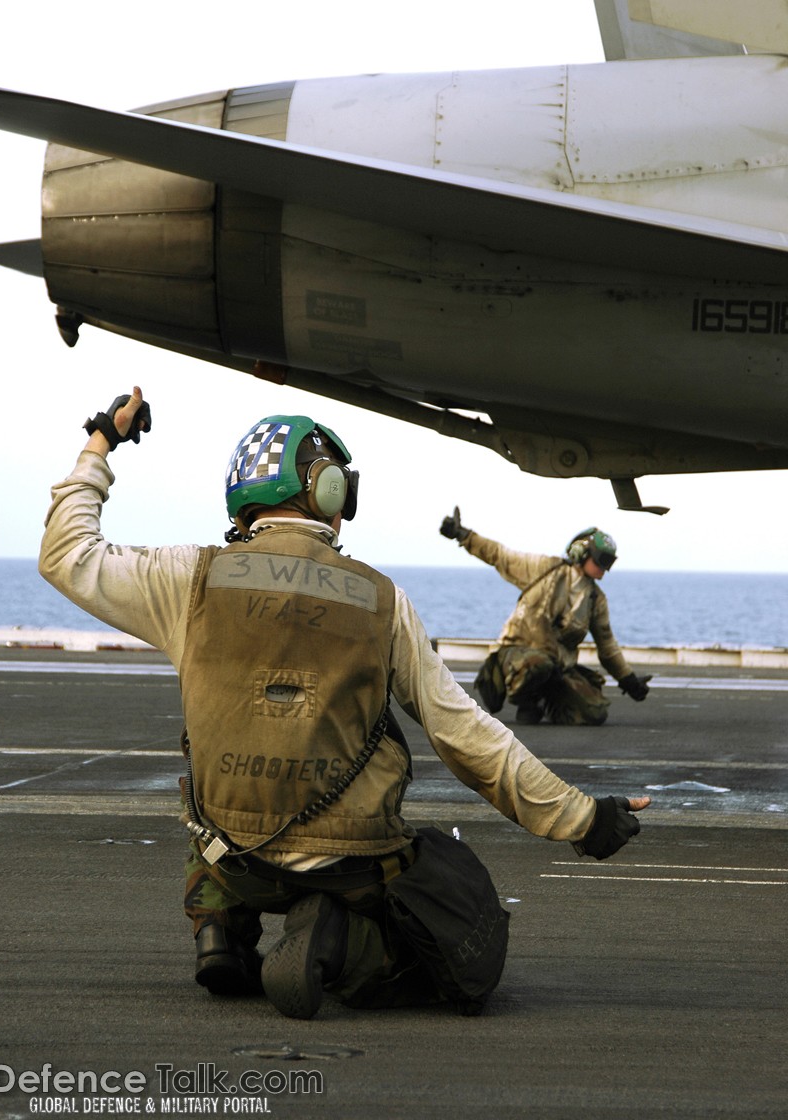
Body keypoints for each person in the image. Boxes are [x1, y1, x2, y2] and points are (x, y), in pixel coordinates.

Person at [39, 387, 651, 1020]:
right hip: (349, 864)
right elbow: (465, 736)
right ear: (327, 491)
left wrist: (101, 440)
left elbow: (66, 554)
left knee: (204, 793)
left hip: (232, 852)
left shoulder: (184, 578)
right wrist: (583, 818)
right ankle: (337, 940)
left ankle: (219, 931)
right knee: (454, 934)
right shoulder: (382, 602)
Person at [440, 507, 651, 726]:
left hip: (557, 669)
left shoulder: (595, 600)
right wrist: (462, 534)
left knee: (594, 712)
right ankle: (526, 700)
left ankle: (547, 700)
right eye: (601, 560)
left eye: (609, 563)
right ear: (581, 553)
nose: (604, 569)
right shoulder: (544, 569)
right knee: (539, 664)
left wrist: (628, 680)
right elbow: (500, 556)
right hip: (517, 657)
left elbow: (607, 646)